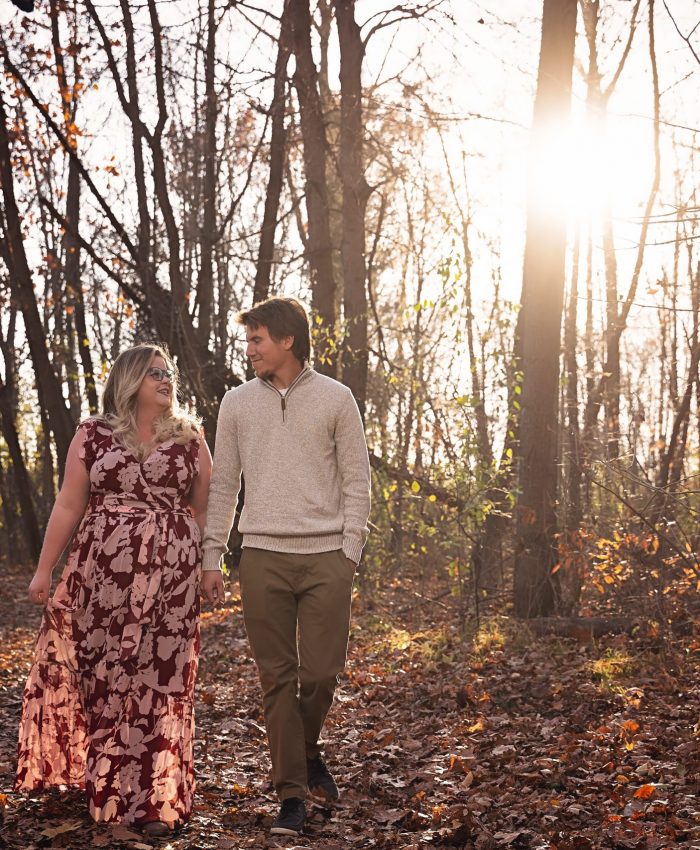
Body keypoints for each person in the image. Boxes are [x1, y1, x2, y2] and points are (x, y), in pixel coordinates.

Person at [16, 344, 214, 838]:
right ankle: (105, 786)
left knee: (158, 681)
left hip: (172, 578)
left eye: (169, 373)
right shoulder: (94, 434)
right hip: (102, 576)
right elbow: (68, 504)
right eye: (154, 373)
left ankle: (151, 800)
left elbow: (206, 508)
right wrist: (45, 571)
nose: (166, 380)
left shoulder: (191, 437)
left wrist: (212, 564)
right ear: (129, 379)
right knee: (105, 675)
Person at [201, 296, 371, 837]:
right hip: (262, 557)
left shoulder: (337, 399)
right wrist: (213, 555)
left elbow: (357, 480)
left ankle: (306, 748)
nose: (249, 349)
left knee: (320, 674)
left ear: (288, 339)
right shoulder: (236, 403)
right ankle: (291, 795)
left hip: (326, 558)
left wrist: (350, 551)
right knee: (277, 679)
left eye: (257, 339)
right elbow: (224, 483)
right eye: (248, 339)